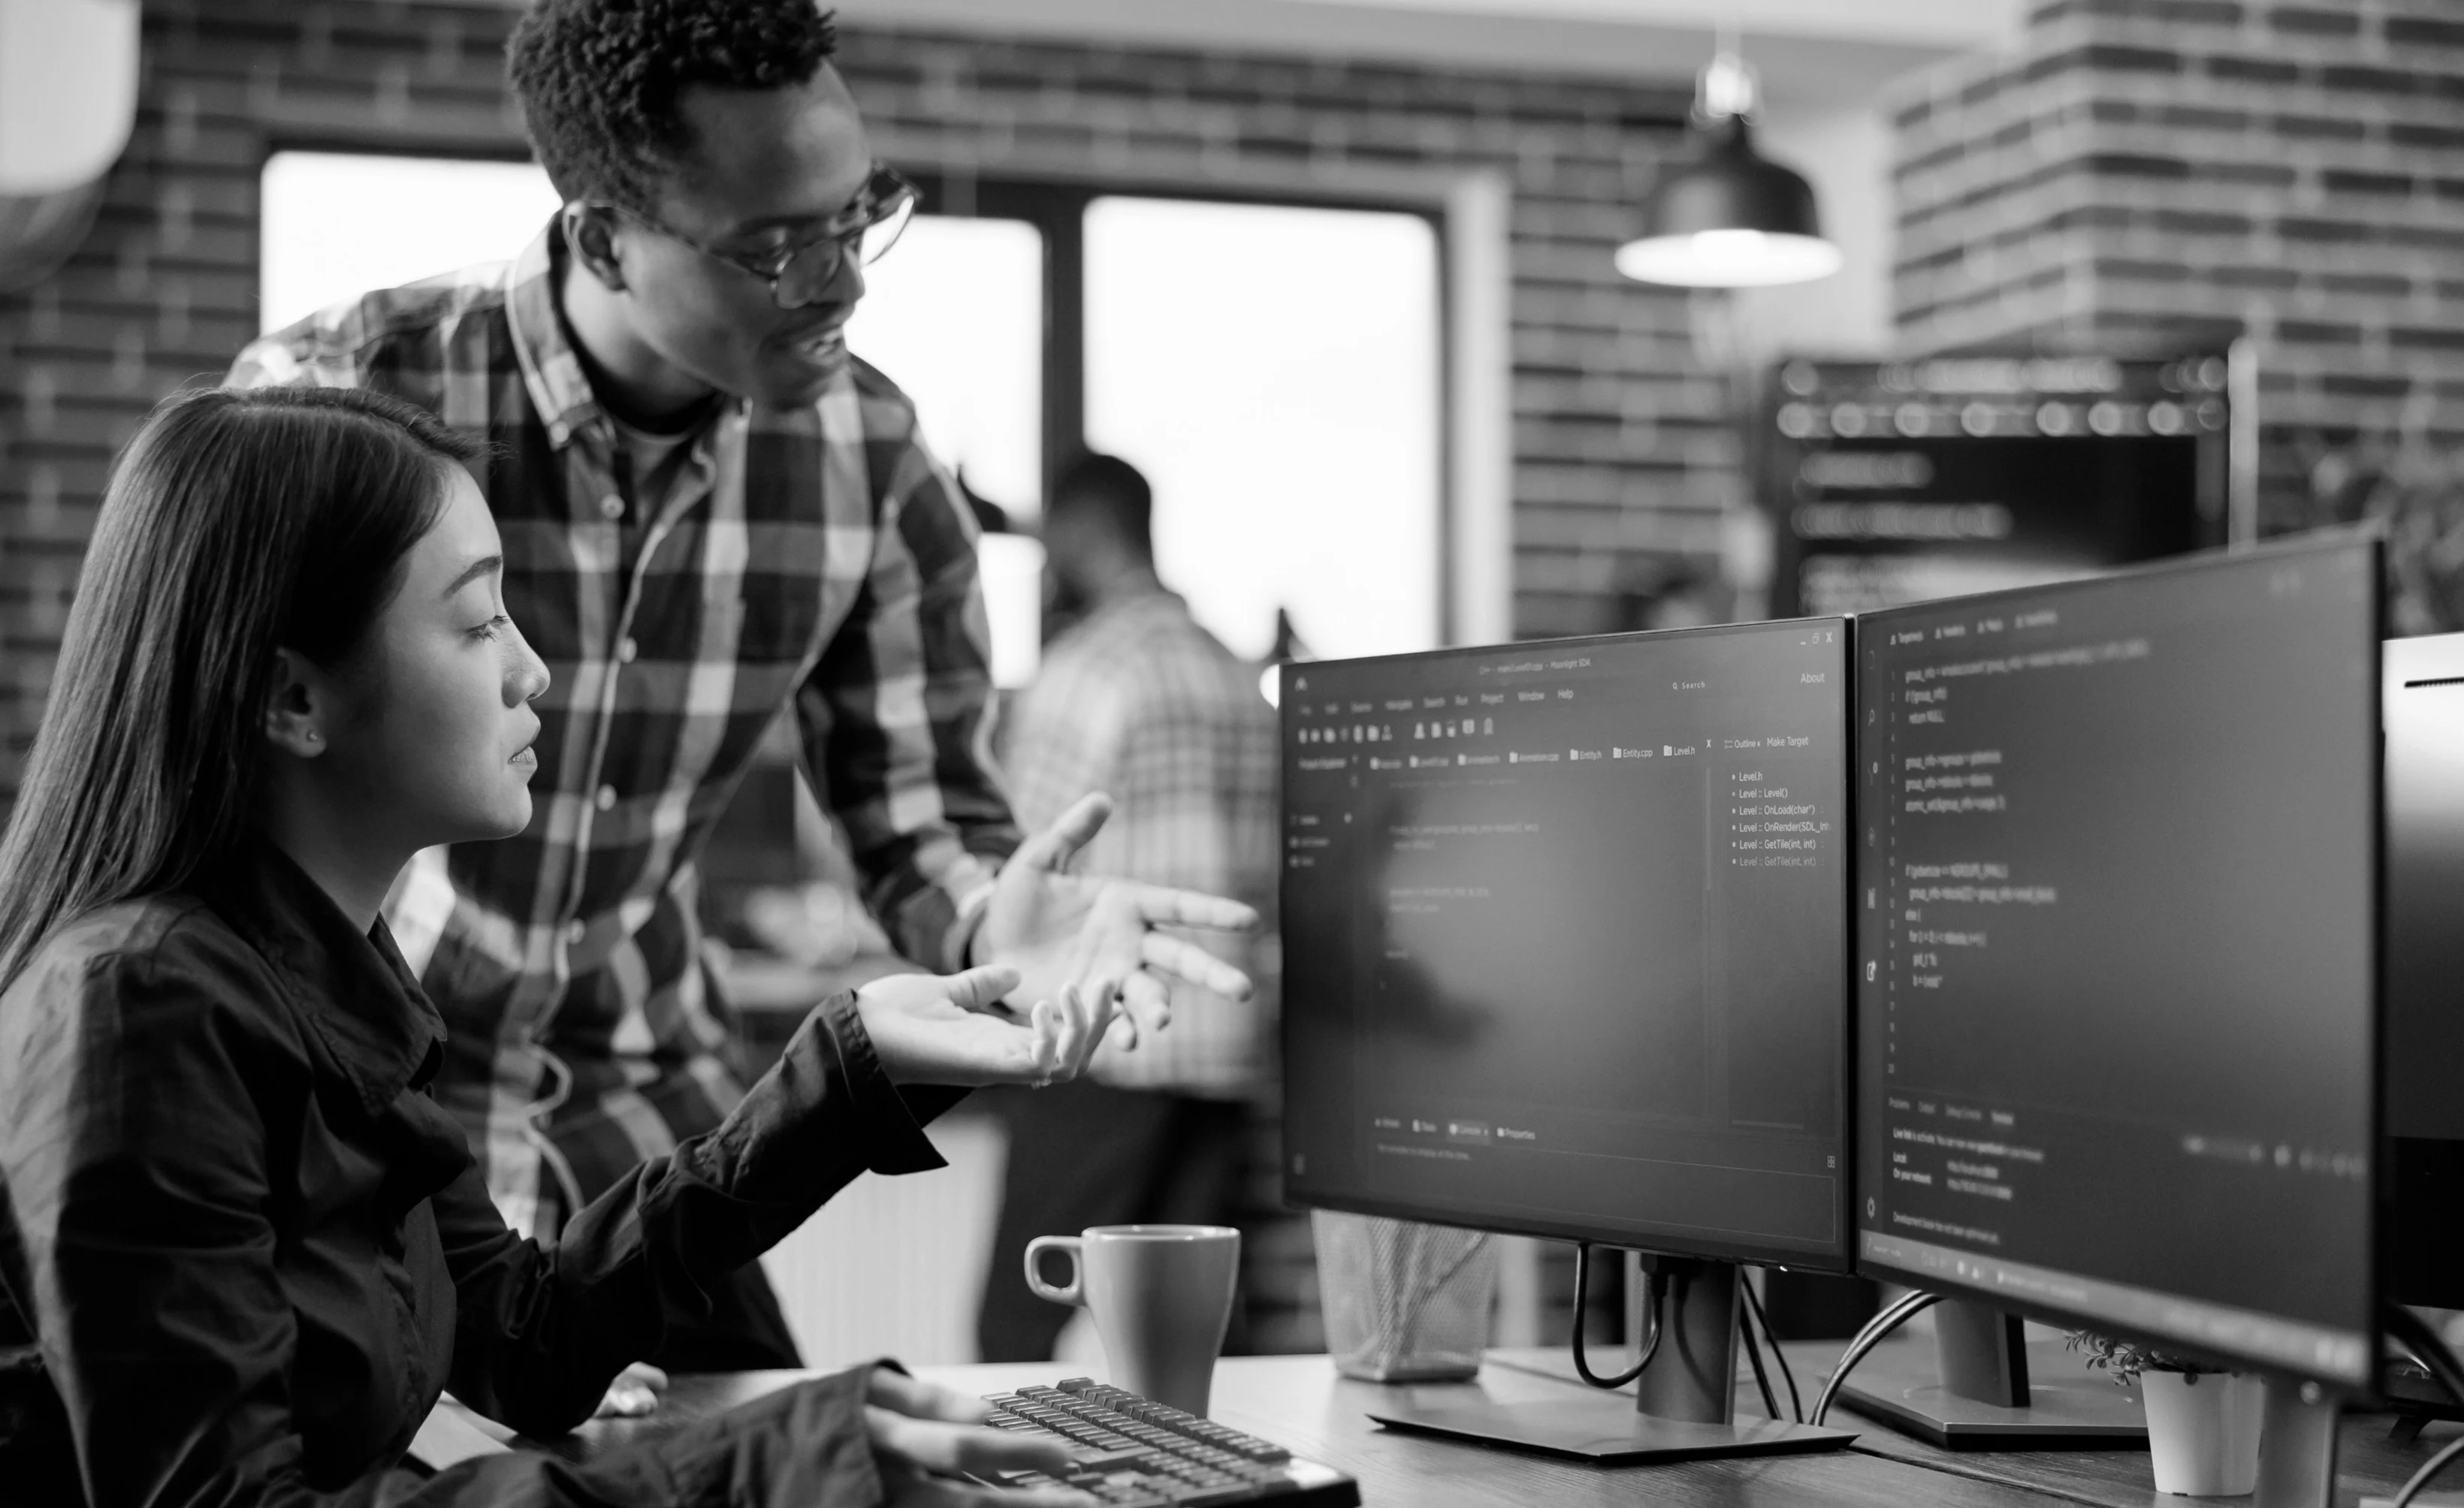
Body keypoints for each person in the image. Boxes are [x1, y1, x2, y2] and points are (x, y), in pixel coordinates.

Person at [226, 0, 1254, 1372]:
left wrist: (994, 922)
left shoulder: (869, 453)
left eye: (862, 215)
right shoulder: (348, 400)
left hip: (642, 1107)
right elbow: (226, 826)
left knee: (787, 1443)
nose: (844, 284)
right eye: (778, 246)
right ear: (605, 238)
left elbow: (919, 814)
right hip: (361, 1103)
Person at [0, 385, 1112, 1506]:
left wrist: (848, 1069)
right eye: (479, 621)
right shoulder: (138, 1009)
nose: (532, 670)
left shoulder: (326, 973)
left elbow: (526, 1335)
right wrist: (757, 1467)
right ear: (294, 696)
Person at [977, 454, 1282, 1363]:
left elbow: (1025, 865)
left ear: (1081, 531)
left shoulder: (1088, 670)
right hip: (1222, 1044)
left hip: (1105, 1045)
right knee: (1191, 1339)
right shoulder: (1232, 672)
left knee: (1015, 1325)